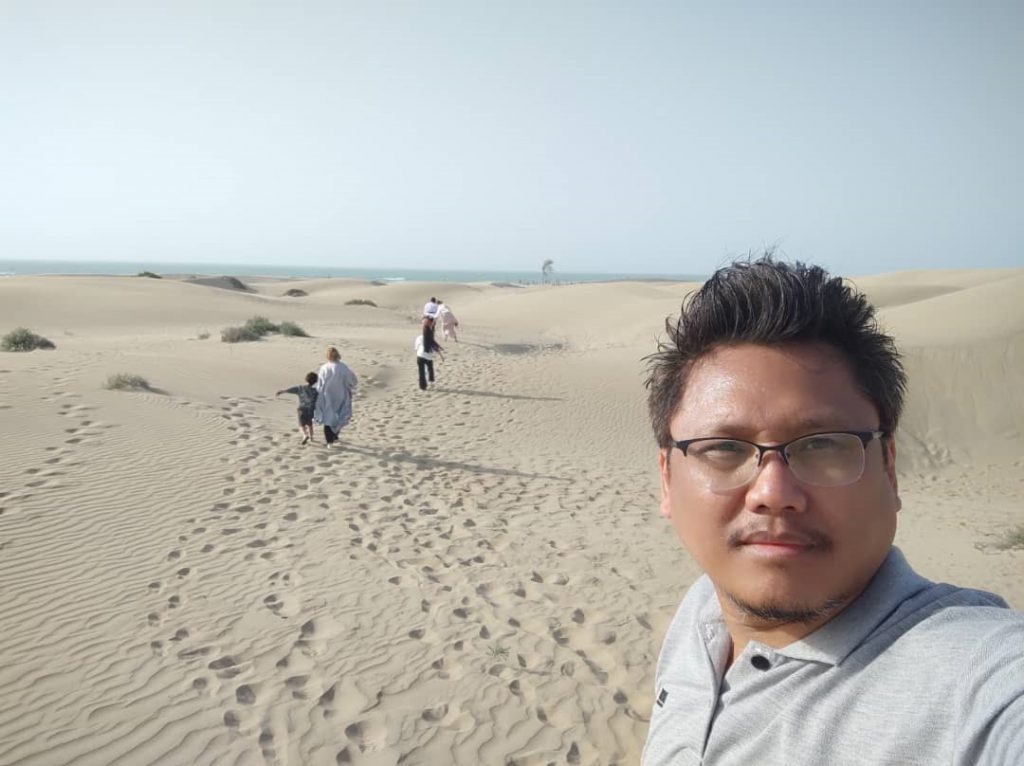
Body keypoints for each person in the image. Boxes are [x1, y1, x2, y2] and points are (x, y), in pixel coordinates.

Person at [641, 256, 1023, 765]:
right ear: (667, 478)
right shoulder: (704, 612)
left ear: (889, 469)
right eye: (724, 448)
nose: (773, 493)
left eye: (822, 445)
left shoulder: (980, 680)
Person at [314, 346, 357, 448]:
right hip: (341, 394)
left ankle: (330, 441)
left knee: (328, 417)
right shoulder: (343, 367)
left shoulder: (324, 367)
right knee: (340, 415)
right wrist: (351, 385)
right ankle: (334, 436)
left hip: (327, 395)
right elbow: (352, 380)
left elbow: (320, 383)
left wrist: (318, 394)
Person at [275, 371, 318, 444]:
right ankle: (311, 438)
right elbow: (319, 400)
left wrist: (283, 391)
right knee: (310, 424)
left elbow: (291, 390)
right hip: (311, 410)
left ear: (306, 379)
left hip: (301, 409)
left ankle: (305, 435)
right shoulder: (315, 391)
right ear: (315, 382)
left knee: (301, 425)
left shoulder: (300, 388)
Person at [415, 318, 444, 390]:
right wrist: (441, 356)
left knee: (421, 372)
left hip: (420, 356)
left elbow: (416, 347)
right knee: (430, 369)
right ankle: (431, 382)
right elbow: (435, 348)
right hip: (428, 357)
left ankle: (422, 387)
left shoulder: (419, 337)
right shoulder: (430, 339)